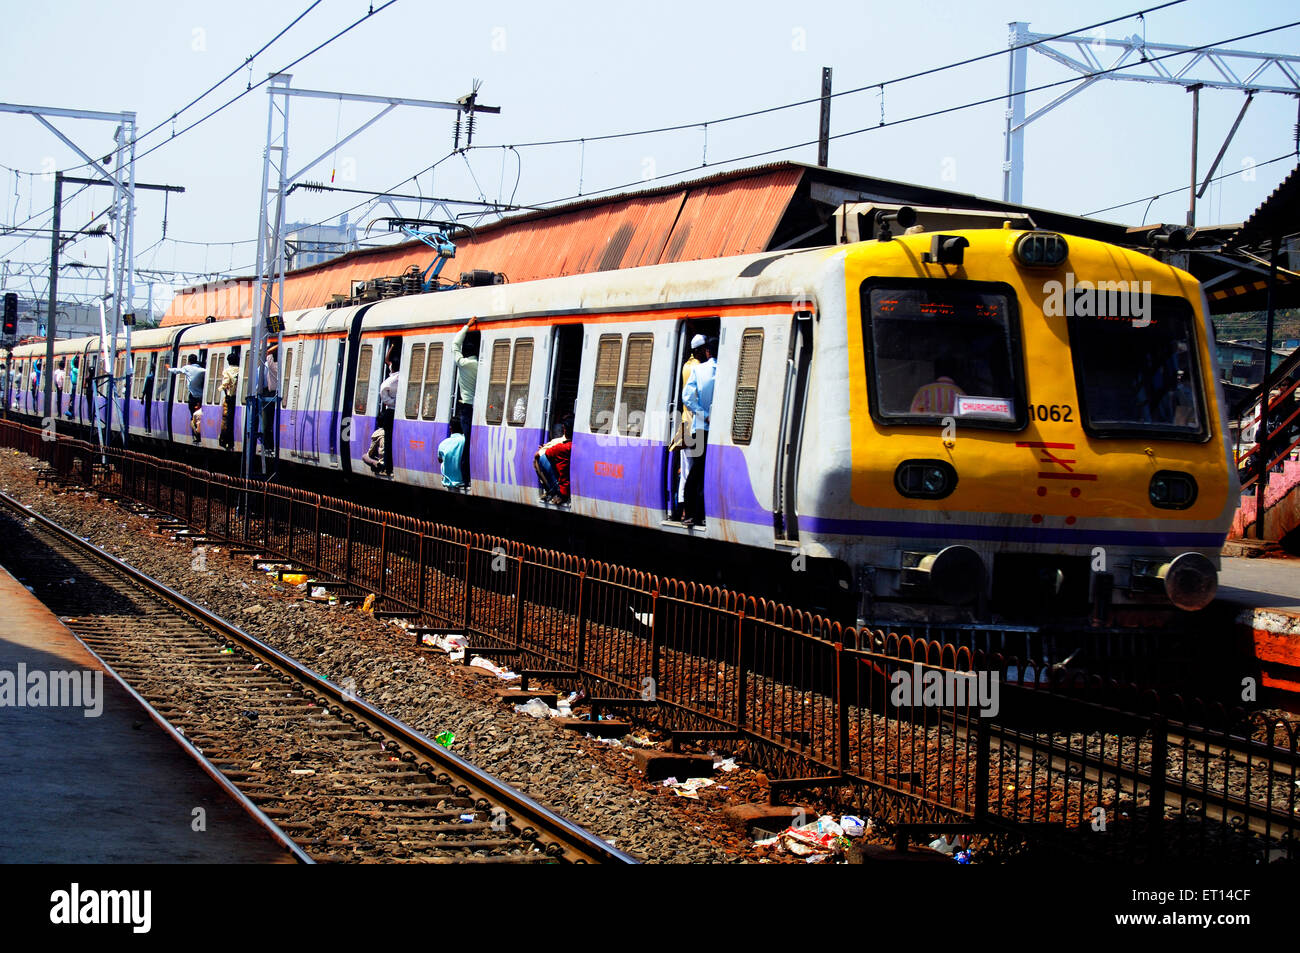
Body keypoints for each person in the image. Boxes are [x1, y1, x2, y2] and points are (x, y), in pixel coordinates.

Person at [680, 337, 717, 527]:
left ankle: (691, 513)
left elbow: (687, 397)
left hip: (701, 428)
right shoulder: (725, 371)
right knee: (707, 472)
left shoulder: (699, 370)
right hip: (718, 431)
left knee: (696, 470)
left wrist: (703, 414)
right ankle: (701, 513)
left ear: (707, 351)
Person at [670, 334, 702, 520]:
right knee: (691, 470)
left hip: (685, 423)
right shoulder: (697, 367)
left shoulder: (686, 366)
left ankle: (682, 508)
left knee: (685, 470)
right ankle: (687, 510)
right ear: (699, 350)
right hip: (694, 425)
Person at [451, 317, 479, 481]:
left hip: (467, 407)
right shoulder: (480, 365)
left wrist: (466, 327)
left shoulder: (464, 364)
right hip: (479, 408)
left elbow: (455, 345)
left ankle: (465, 475)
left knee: (466, 441)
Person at [533, 416, 573, 504]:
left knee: (541, 458)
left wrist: (544, 448)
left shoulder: (560, 447)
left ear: (564, 430)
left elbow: (544, 454)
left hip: (563, 490)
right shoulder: (575, 446)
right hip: (570, 487)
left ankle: (551, 490)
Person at [169, 354, 206, 444]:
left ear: (189, 361)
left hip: (193, 397)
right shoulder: (202, 370)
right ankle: (201, 433)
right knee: (201, 416)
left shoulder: (187, 368)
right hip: (202, 398)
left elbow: (176, 371)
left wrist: (168, 368)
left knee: (193, 416)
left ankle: (195, 435)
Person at [376, 348, 400, 475]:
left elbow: (384, 397)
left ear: (392, 367)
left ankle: (388, 466)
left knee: (388, 440)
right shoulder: (403, 377)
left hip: (390, 412)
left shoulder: (389, 381)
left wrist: (394, 402)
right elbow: (388, 361)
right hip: (399, 412)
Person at [438, 417, 468, 489]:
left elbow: (440, 460)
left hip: (447, 481)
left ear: (450, 428)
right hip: (461, 480)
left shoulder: (443, 443)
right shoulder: (465, 441)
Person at [260, 342, 279, 456]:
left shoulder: (271, 365)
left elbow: (268, 352)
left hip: (271, 395)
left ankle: (268, 446)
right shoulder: (281, 365)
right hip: (278, 395)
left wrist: (278, 345)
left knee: (267, 423)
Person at [219, 352, 238, 449]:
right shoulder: (240, 370)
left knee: (228, 420)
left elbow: (225, 383)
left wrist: (221, 389)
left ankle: (228, 441)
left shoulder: (227, 371)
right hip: (238, 397)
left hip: (230, 397)